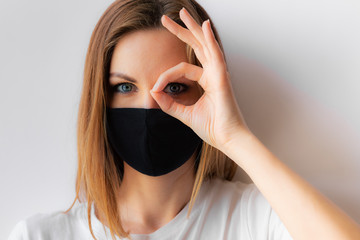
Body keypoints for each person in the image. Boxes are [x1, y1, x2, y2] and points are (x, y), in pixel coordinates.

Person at [8, 0, 360, 239]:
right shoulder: (40, 235)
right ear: (100, 99)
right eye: (126, 86)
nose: (151, 107)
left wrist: (235, 136)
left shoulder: (253, 218)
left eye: (175, 86)